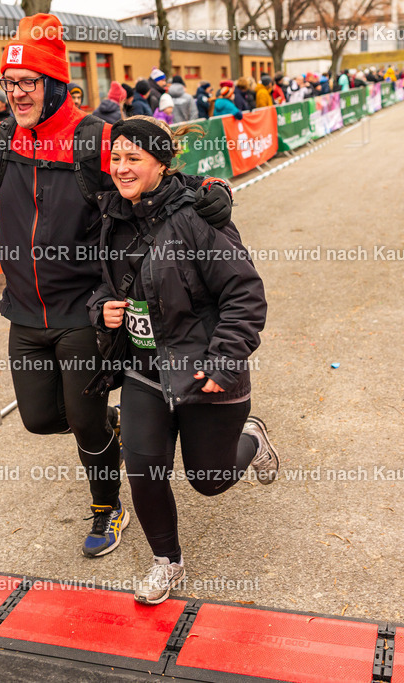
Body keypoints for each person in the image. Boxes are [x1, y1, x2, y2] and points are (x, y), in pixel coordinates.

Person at [0, 13, 234, 559]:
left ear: (54, 84)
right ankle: (110, 426)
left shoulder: (94, 138)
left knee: (81, 421)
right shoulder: (2, 137)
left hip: (83, 308)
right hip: (25, 308)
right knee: (39, 418)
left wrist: (214, 191)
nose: (18, 93)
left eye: (29, 82)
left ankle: (107, 507)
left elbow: (158, 173)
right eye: (10, 83)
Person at [88, 115, 277, 604]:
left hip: (203, 369)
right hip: (144, 369)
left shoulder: (197, 216)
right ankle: (166, 561)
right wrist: (100, 309)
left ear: (161, 164)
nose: (122, 168)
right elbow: (106, 287)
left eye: (134, 158)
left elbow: (245, 294)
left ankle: (251, 438)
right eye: (116, 157)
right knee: (144, 469)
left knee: (209, 481)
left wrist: (224, 362)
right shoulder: (111, 214)